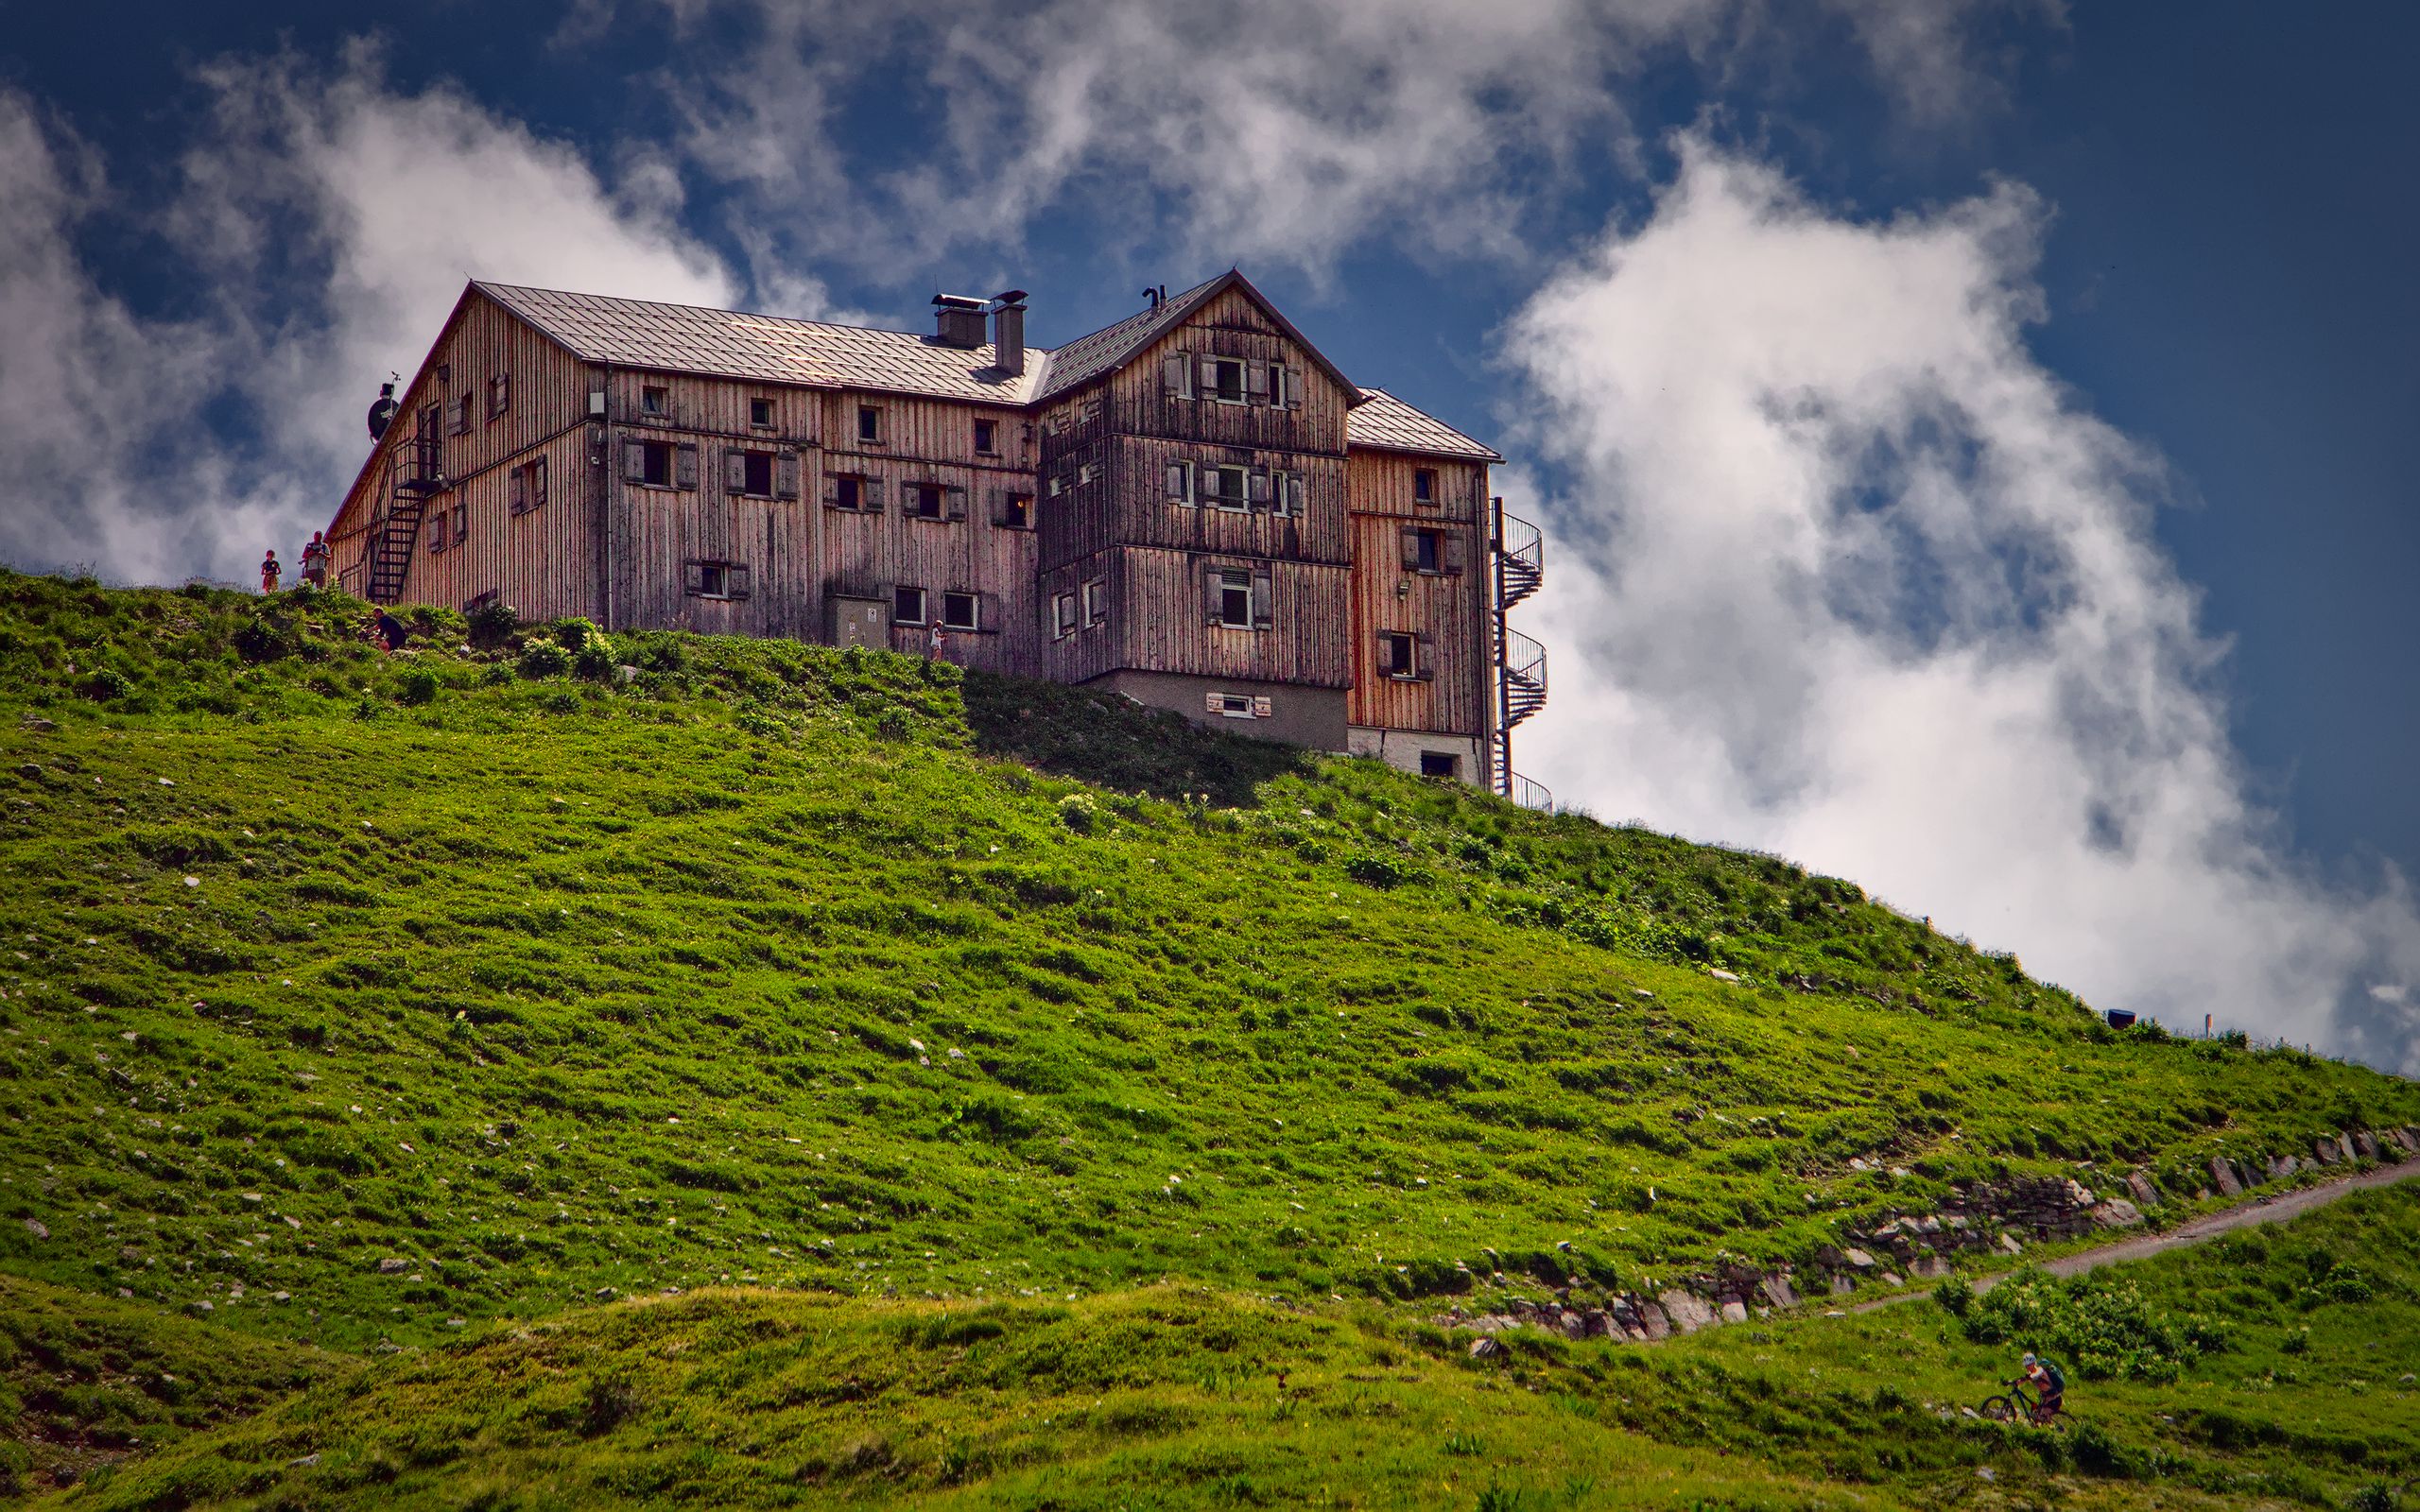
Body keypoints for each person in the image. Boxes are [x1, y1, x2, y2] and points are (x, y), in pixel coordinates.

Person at [2021, 1352, 2066, 1423]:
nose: (2028, 1367)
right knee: (2038, 1417)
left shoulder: (2040, 1370)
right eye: (2026, 1366)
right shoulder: (2031, 1374)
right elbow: (2025, 1378)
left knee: (2042, 1417)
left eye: (2029, 1365)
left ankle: (2056, 1431)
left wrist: (2028, 1378)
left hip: (2054, 1399)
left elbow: (2035, 1375)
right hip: (2046, 1399)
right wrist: (2013, 1382)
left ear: (2034, 1363)